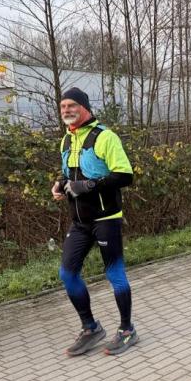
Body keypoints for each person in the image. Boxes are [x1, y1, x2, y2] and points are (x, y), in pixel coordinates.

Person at [51, 87, 137, 356]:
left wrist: (88, 186)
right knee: (67, 273)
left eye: (71, 105)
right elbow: (70, 174)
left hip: (106, 218)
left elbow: (125, 175)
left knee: (115, 274)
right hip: (80, 221)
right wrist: (60, 184)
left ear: (85, 107)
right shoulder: (67, 140)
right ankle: (91, 328)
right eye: (63, 106)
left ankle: (127, 330)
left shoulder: (105, 137)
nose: (66, 110)